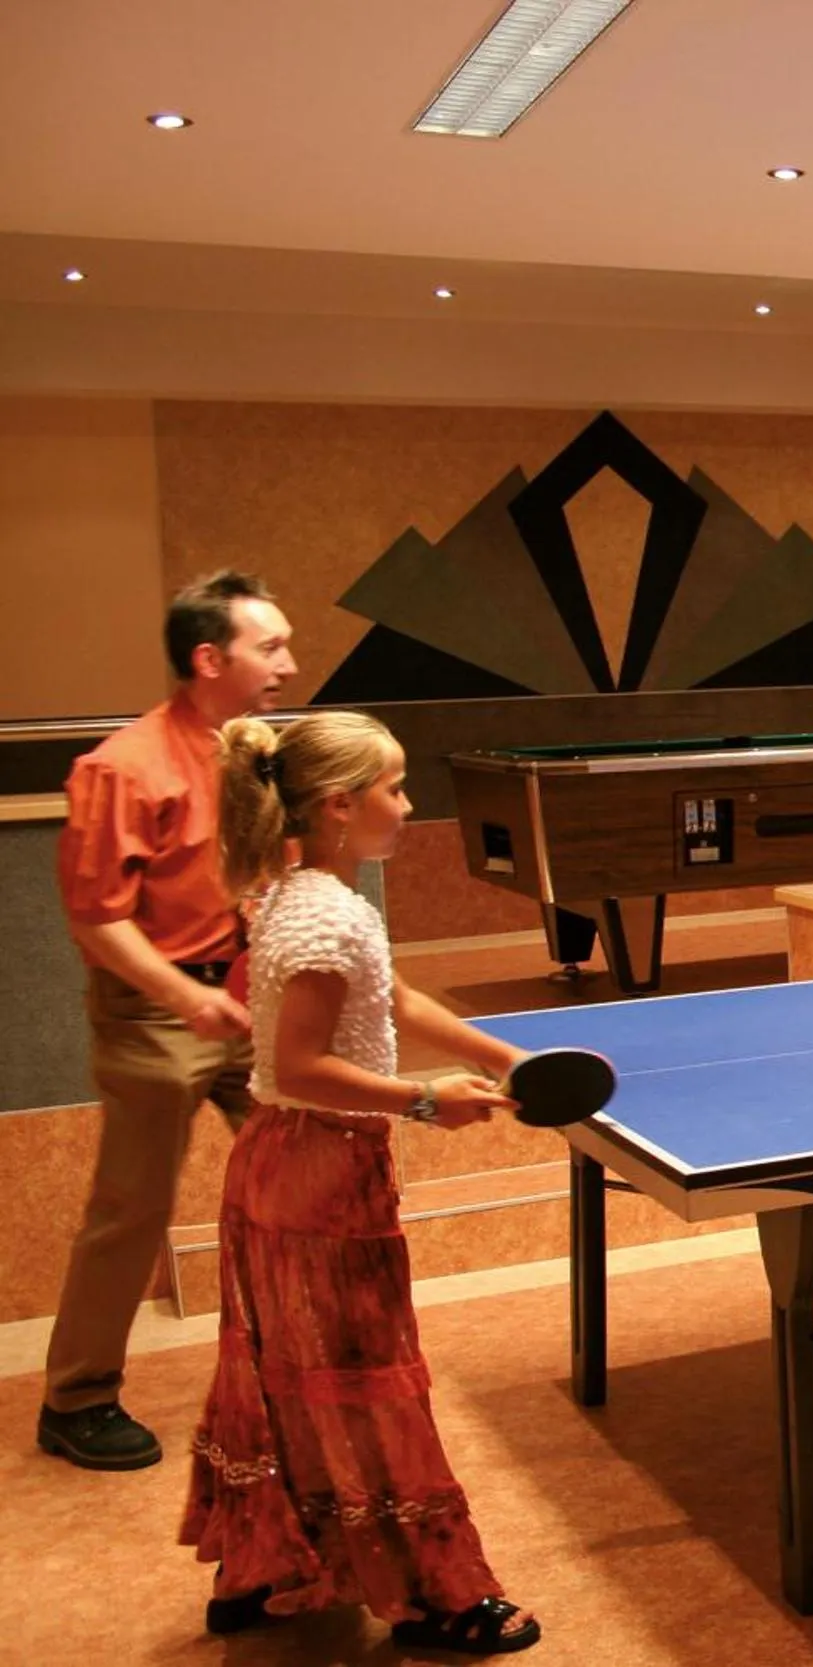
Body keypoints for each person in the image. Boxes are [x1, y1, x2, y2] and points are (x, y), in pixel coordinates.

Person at [179, 710, 542, 1655]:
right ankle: (435, 1594)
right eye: (395, 786)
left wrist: (501, 1053)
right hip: (321, 1168)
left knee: (283, 1372)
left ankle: (267, 1567)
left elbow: (393, 997)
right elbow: (299, 1065)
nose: (410, 804)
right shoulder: (325, 915)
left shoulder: (304, 894)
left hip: (278, 1160)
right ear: (340, 805)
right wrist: (423, 1099)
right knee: (363, 1378)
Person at [40, 572, 296, 1471]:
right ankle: (76, 1399)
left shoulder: (255, 752)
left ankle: (300, 1362)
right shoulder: (122, 767)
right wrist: (190, 998)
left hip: (249, 996)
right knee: (133, 1206)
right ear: (209, 658)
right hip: (158, 1011)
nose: (288, 664)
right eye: (271, 646)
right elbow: (96, 919)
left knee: (302, 1175)